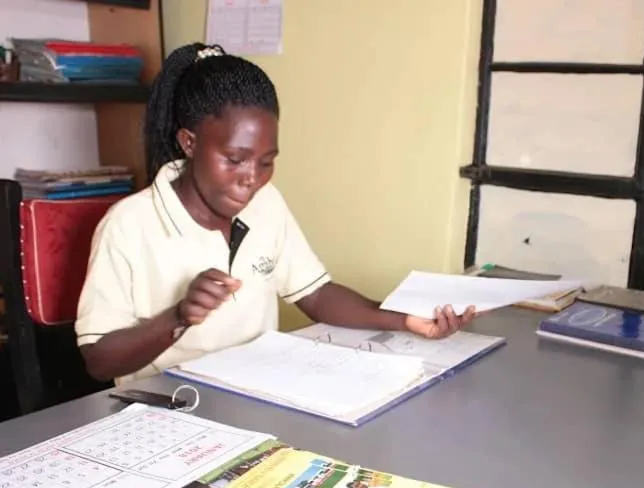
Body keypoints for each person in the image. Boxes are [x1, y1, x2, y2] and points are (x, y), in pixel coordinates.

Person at [75, 42, 476, 383]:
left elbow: (316, 295)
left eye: (266, 162)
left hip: (256, 392)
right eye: (235, 159)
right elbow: (99, 359)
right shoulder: (129, 225)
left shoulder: (266, 205)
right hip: (165, 411)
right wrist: (178, 316)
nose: (252, 179)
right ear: (189, 142)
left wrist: (405, 319)